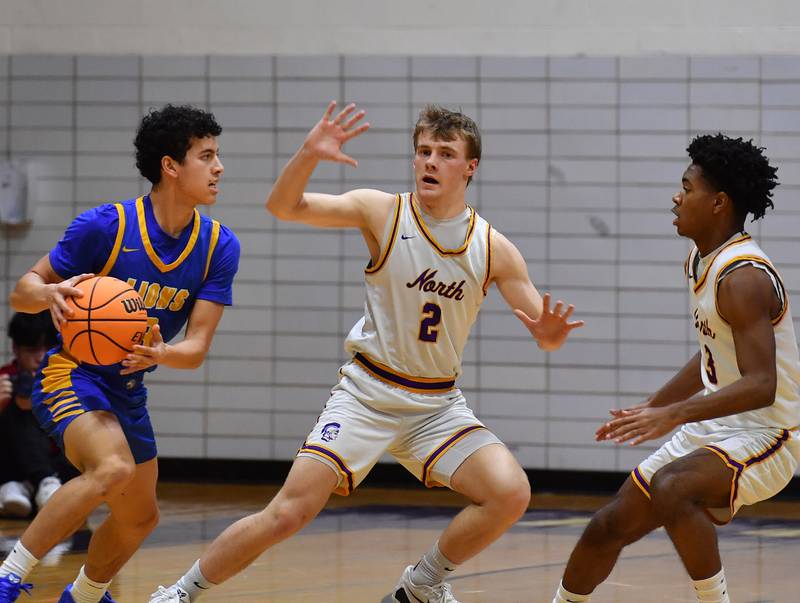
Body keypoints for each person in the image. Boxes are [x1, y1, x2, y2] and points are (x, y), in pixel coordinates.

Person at [150, 101, 583, 603]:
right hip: (367, 394)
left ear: (471, 167)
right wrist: (309, 154)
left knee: (511, 493)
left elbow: (543, 333)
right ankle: (180, 592)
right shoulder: (383, 211)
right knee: (288, 512)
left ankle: (423, 581)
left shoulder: (494, 248)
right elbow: (284, 206)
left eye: (445, 153)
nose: (430, 162)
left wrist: (551, 333)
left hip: (436, 406)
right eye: (423, 151)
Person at [0, 104, 240, 603]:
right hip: (72, 374)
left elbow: (194, 348)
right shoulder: (104, 227)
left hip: (127, 386)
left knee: (141, 516)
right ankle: (10, 575)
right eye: (207, 156)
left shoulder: (219, 246)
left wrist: (161, 353)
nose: (220, 168)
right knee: (111, 469)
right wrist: (49, 295)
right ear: (171, 166)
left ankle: (85, 595)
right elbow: (22, 291)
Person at [551, 134, 800, 603]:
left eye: (687, 187)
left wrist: (675, 415)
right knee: (607, 526)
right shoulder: (699, 259)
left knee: (673, 488)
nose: (676, 196)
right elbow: (711, 352)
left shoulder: (743, 277)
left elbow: (762, 385)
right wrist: (653, 406)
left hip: (770, 433)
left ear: (718, 203)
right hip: (716, 425)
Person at [0, 311, 65, 518]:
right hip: (13, 464)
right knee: (17, 402)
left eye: (48, 349)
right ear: (16, 349)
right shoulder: (5, 378)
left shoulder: (69, 378)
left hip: (58, 464)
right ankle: (28, 484)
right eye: (32, 350)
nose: (41, 357)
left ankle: (33, 484)